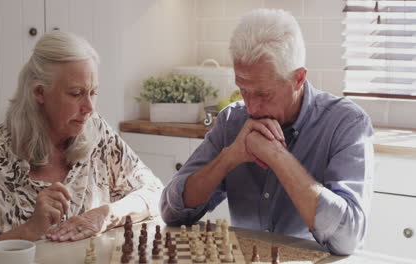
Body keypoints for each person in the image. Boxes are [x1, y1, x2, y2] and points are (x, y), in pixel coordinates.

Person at [160, 9, 374, 256]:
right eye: (243, 90)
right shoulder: (232, 121)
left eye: (263, 94)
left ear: (298, 79)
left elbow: (347, 240)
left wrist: (277, 156)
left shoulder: (347, 123)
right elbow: (171, 211)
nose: (251, 107)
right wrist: (229, 157)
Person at [0, 31, 163, 262]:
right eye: (76, 93)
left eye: (93, 92)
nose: (89, 107)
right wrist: (30, 230)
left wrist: (105, 215)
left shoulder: (99, 133)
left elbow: (155, 193)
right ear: (39, 92)